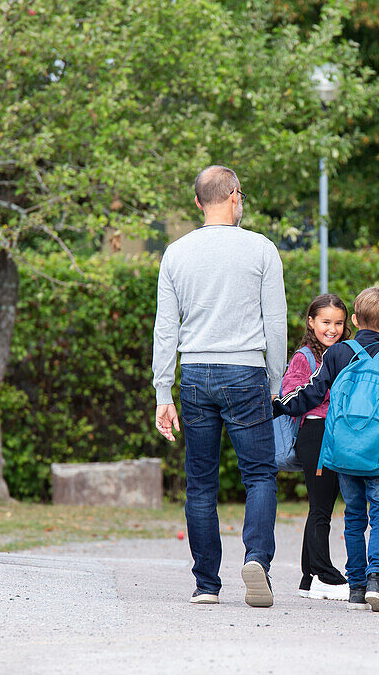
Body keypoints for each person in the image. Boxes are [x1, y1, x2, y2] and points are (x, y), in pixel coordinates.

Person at [152, 165, 287, 608]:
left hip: (193, 374)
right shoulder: (261, 249)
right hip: (245, 372)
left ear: (197, 202)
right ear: (234, 196)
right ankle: (257, 560)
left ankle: (206, 584)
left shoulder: (175, 253)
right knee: (260, 474)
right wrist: (275, 380)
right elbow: (277, 323)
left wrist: (162, 392)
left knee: (201, 484)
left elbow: (165, 329)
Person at [273, 286, 379, 613]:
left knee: (353, 516)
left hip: (342, 451)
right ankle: (378, 578)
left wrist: (280, 407)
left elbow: (310, 394)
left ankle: (356, 588)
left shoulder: (337, 353)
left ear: (353, 319)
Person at [280, 293, 351, 601]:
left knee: (321, 506)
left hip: (339, 433)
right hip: (315, 432)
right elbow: (289, 395)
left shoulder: (349, 353)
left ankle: (309, 577)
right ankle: (324, 573)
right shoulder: (305, 357)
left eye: (338, 322)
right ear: (311, 322)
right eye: (325, 322)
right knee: (321, 506)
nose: (332, 329)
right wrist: (325, 396)